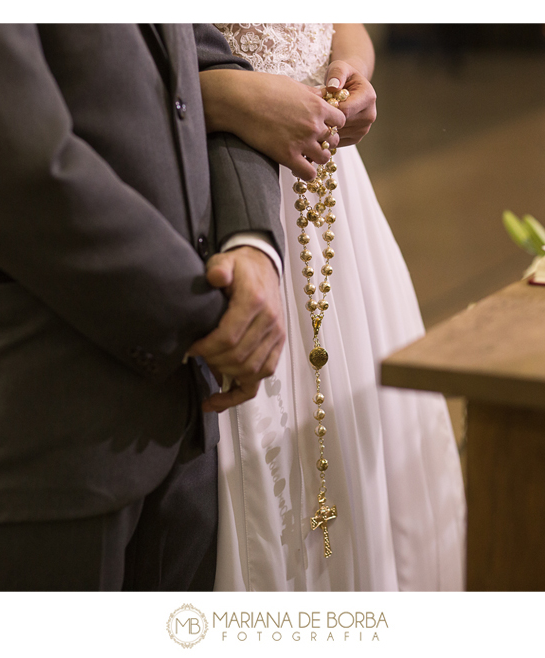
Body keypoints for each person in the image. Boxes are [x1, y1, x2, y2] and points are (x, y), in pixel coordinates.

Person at [0, 24, 287, 591]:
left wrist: (252, 245)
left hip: (183, 427)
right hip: (39, 432)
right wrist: (217, 316)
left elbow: (215, 70)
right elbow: (6, 167)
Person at [201, 23, 467, 591]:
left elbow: (340, 22)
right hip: (225, 190)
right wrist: (227, 99)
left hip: (333, 186)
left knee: (364, 449)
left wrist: (353, 69)